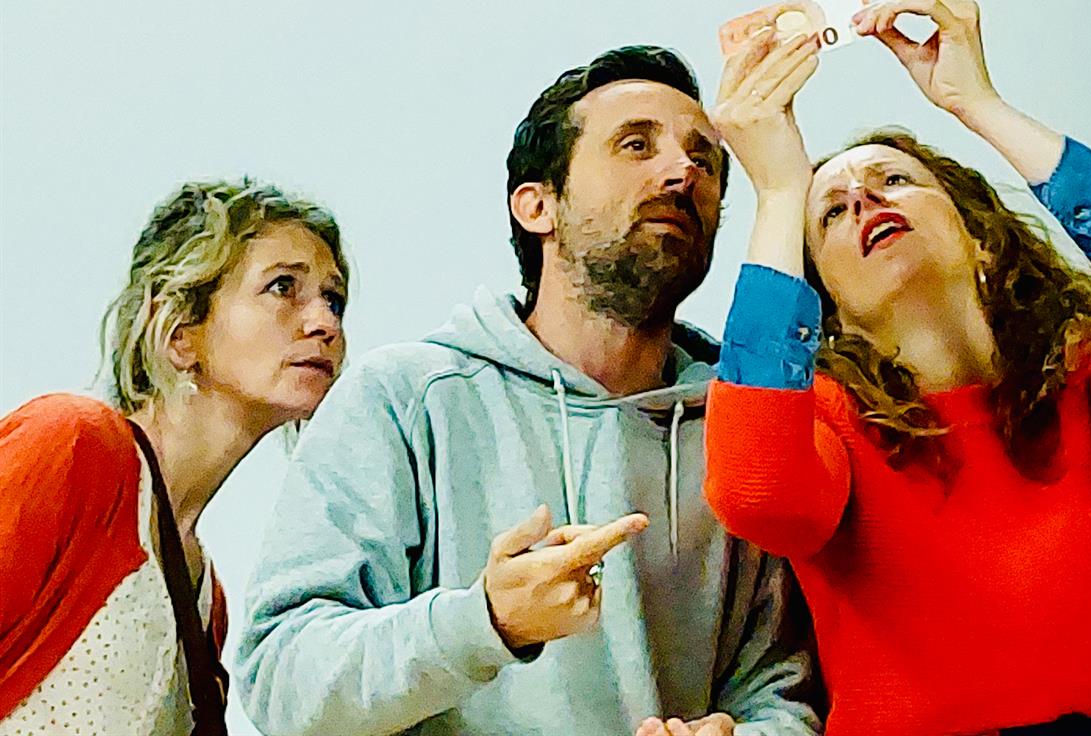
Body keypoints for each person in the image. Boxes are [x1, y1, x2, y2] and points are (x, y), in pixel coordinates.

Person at [703, 0, 1091, 735]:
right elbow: (754, 491)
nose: (863, 197)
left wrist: (981, 106)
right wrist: (777, 191)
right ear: (825, 303)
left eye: (895, 180)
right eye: (830, 211)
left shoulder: (1090, 384)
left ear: (981, 237)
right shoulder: (830, 423)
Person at [237, 45, 820, 736]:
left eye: (705, 158)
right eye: (636, 145)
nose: (682, 171)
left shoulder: (740, 426)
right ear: (537, 205)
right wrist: (486, 620)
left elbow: (783, 694)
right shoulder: (407, 397)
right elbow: (282, 677)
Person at [0, 179, 350, 736]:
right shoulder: (71, 446)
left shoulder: (206, 597)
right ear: (180, 332)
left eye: (334, 299)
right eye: (283, 287)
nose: (325, 324)